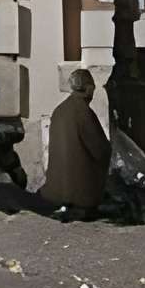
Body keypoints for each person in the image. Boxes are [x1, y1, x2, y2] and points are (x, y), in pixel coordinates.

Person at [42, 70, 110, 215]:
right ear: (89, 88)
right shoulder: (84, 112)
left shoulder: (59, 110)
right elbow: (100, 150)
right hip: (80, 196)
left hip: (55, 192)